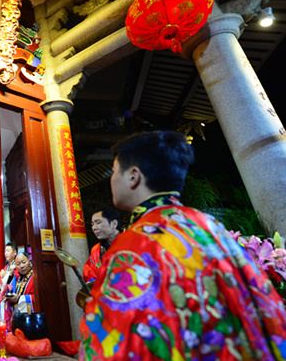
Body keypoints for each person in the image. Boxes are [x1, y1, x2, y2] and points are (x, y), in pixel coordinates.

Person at [79, 130, 286, 360]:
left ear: (133, 176)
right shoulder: (210, 227)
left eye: (115, 171)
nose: (112, 179)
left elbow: (110, 338)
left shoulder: (132, 243)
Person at [83, 207, 122, 283]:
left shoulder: (132, 242)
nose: (94, 228)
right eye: (92, 224)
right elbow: (90, 274)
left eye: (98, 222)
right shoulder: (96, 250)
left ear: (114, 224)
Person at [6, 251, 35, 330]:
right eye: (18, 264)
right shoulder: (18, 278)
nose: (22, 266)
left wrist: (19, 299)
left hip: (32, 320)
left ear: (29, 261)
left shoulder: (35, 277)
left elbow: (39, 297)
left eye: (24, 262)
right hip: (18, 319)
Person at [0, 242, 18, 322]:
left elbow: (16, 279)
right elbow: (0, 282)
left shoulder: (17, 266)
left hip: (12, 299)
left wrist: (6, 276)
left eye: (8, 251)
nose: (6, 253)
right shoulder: (6, 267)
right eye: (5, 251)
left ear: (15, 252)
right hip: (4, 300)